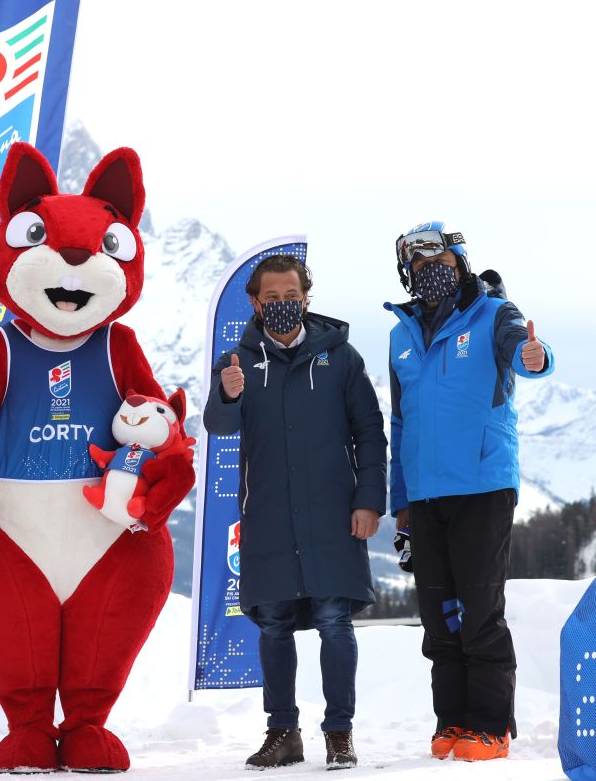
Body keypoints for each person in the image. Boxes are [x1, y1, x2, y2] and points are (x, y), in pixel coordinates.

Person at [204, 254, 386, 771]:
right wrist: (226, 393)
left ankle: (339, 734)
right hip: (269, 516)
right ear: (254, 302)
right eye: (271, 298)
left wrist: (369, 500)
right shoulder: (237, 360)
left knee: (335, 621)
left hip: (333, 515)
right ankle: (283, 732)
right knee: (274, 624)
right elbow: (218, 425)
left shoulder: (342, 357)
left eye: (291, 296)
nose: (282, 305)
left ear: (307, 297)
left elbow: (370, 433)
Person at [386, 222, 554, 761]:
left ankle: (490, 725)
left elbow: (527, 352)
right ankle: (452, 721)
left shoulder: (493, 314)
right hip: (426, 493)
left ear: (458, 262)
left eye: (439, 261)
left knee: (480, 607)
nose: (429, 271)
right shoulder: (400, 335)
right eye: (418, 264)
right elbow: (400, 423)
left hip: (483, 483)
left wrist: (536, 356)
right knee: (439, 616)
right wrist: (401, 504)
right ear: (407, 272)